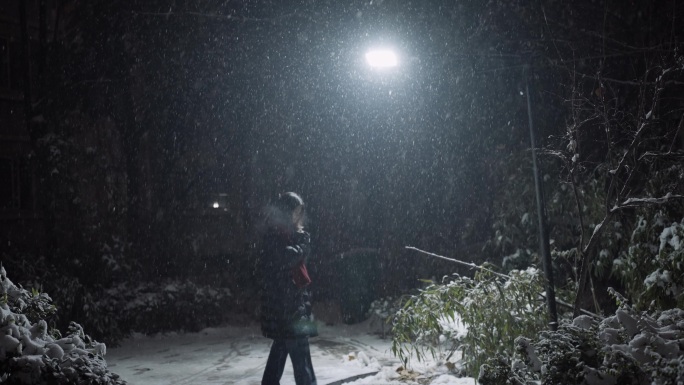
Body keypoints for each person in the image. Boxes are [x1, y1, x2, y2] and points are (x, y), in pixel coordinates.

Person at [259, 192, 317, 385]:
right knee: (302, 358)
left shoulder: (291, 235)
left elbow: (296, 263)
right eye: (294, 212)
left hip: (294, 306)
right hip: (287, 307)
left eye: (300, 212)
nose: (297, 216)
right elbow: (286, 259)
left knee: (281, 353)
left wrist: (301, 244)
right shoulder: (275, 235)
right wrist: (302, 246)